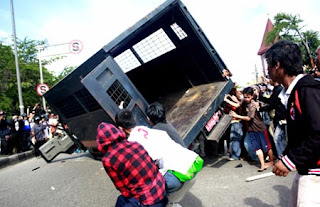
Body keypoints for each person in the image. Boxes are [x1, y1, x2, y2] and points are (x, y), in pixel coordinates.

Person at [266, 40, 320, 206]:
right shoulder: (292, 93)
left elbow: (318, 133)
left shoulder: (307, 90)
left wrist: (290, 160)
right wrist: (285, 158)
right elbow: (299, 135)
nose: (267, 70)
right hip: (305, 169)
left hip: (315, 173)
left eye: (269, 64)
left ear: (277, 65)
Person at [115, 109, 202, 195]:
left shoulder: (132, 142)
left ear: (120, 128)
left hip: (177, 174)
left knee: (148, 194)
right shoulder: (144, 129)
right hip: (192, 161)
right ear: (134, 119)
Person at [96, 122, 167, 207]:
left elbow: (122, 188)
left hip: (149, 201)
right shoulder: (135, 143)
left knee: (121, 201)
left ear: (101, 142)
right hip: (162, 189)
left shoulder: (107, 160)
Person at [229, 87, 274, 172]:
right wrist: (230, 99)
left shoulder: (253, 105)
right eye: (245, 97)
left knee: (267, 147)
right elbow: (238, 104)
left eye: (248, 97)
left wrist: (237, 115)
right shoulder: (244, 102)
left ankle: (271, 162)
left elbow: (249, 118)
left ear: (252, 96)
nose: (246, 99)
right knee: (256, 147)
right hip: (251, 129)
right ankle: (262, 165)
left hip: (260, 128)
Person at [256, 79, 287, 157]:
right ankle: (282, 157)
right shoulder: (277, 89)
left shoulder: (278, 89)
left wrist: (260, 108)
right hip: (280, 118)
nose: (268, 81)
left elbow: (272, 104)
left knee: (280, 139)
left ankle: (284, 158)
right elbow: (271, 102)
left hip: (282, 118)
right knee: (278, 138)